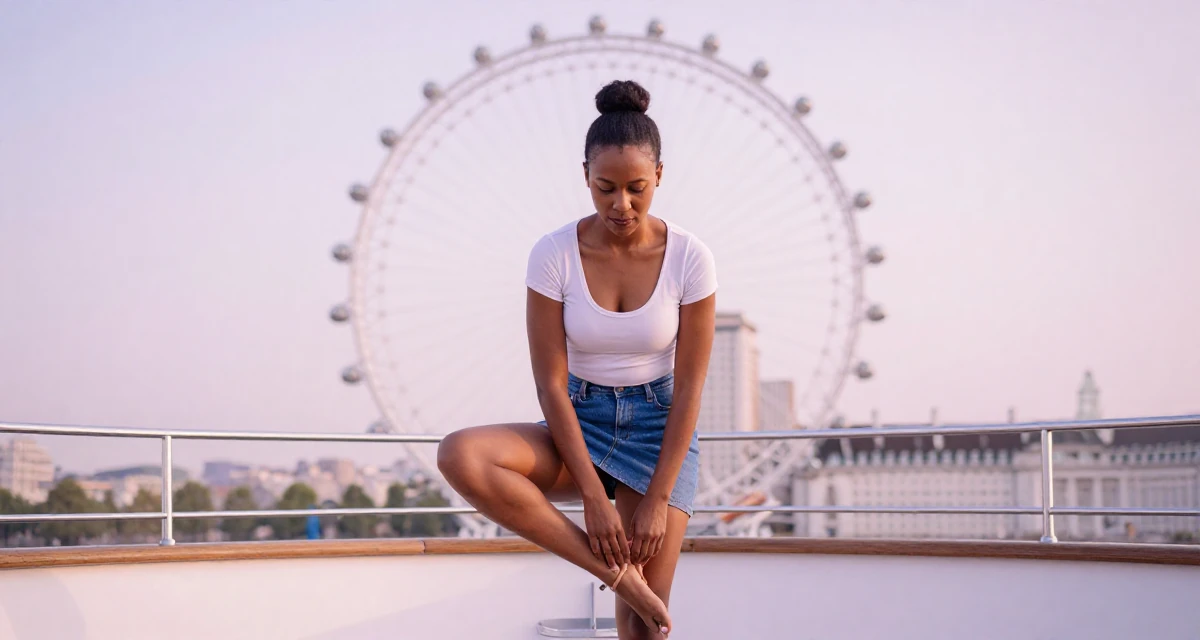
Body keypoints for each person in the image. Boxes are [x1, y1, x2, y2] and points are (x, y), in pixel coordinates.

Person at [438, 79, 716, 639]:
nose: (621, 204)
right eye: (604, 187)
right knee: (461, 455)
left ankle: (631, 587)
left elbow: (688, 388)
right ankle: (617, 576)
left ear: (660, 175)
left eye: (637, 188)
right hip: (577, 421)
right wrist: (593, 497)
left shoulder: (691, 257)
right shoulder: (553, 254)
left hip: (658, 432)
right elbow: (551, 384)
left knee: (644, 628)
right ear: (584, 177)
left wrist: (657, 499)